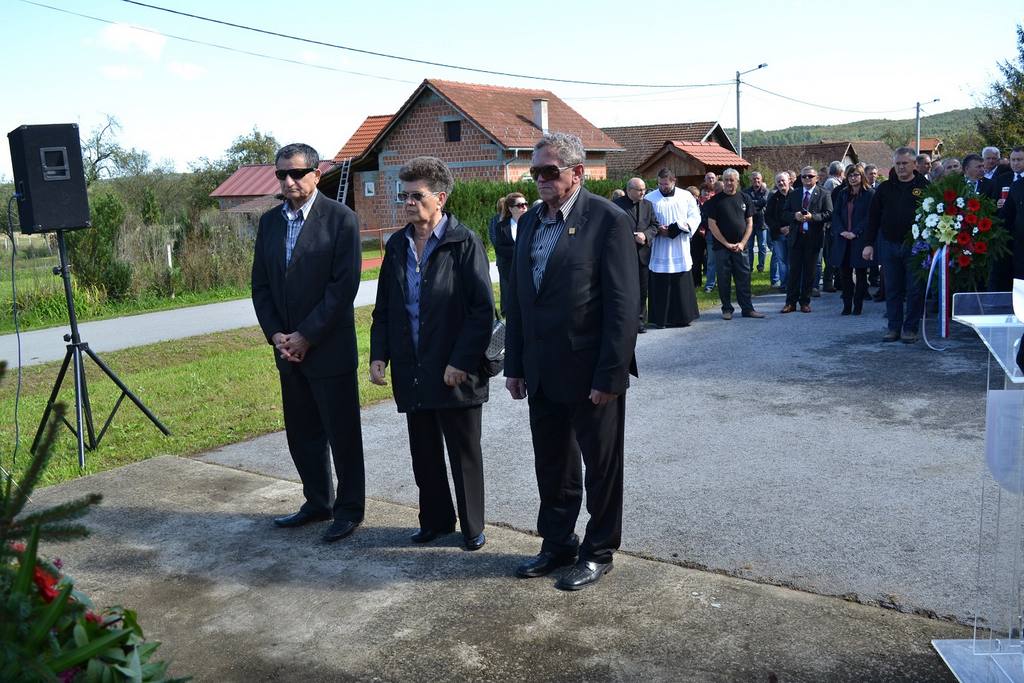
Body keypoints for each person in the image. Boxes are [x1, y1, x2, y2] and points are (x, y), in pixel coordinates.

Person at [504, 132, 639, 591]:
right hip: (542, 369)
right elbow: (519, 299)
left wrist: (611, 375)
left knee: (601, 468)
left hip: (590, 371)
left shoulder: (607, 220)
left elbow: (623, 306)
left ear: (577, 172)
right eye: (535, 172)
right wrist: (515, 364)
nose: (540, 179)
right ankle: (558, 542)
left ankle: (599, 551)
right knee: (553, 463)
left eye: (549, 171)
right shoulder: (530, 221)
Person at [369, 156, 494, 552]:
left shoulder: (464, 242)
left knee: (463, 454)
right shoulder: (397, 246)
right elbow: (385, 307)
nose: (408, 203)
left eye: (416, 196)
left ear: (440, 198)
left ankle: (472, 527)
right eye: (403, 196)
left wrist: (461, 361)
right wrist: (379, 354)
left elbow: (482, 312)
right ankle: (436, 521)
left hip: (455, 369)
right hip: (414, 368)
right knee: (424, 453)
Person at [251, 143, 365, 542]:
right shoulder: (269, 223)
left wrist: (306, 336)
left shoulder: (341, 219)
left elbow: (343, 288)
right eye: (281, 174)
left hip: (328, 350)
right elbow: (261, 286)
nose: (288, 181)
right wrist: (277, 335)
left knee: (342, 435)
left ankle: (348, 510)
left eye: (297, 173)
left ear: (317, 174)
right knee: (302, 435)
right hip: (287, 351)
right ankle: (317, 502)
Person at [863, 147, 930, 343]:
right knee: (892, 289)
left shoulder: (925, 187)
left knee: (914, 289)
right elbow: (873, 217)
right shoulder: (884, 188)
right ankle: (893, 328)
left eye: (905, 163)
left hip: (915, 247)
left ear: (914, 164)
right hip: (889, 244)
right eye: (898, 163)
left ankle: (910, 329)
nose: (901, 167)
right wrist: (868, 244)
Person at [645, 169, 702, 327]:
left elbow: (695, 216)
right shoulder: (650, 198)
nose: (663, 187)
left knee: (680, 282)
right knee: (660, 283)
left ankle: (683, 318)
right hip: (660, 246)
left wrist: (682, 227)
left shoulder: (686, 196)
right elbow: (645, 219)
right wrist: (657, 229)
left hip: (679, 245)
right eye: (660, 184)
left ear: (674, 181)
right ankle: (661, 319)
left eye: (666, 184)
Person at [706, 169, 765, 320]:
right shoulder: (715, 201)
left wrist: (743, 243)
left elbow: (749, 223)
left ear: (737, 182)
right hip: (722, 248)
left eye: (732, 180)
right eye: (726, 180)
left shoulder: (745, 198)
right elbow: (712, 225)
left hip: (741, 247)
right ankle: (727, 309)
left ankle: (748, 309)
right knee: (724, 279)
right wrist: (726, 244)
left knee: (744, 278)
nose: (728, 183)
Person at [780, 166, 833, 314]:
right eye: (804, 176)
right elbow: (784, 213)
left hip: (813, 237)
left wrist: (813, 217)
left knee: (810, 272)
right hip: (796, 237)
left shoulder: (824, 193)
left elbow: (829, 213)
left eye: (810, 176)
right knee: (794, 272)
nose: (807, 179)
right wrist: (794, 216)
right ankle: (790, 303)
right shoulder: (794, 193)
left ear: (817, 178)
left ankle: (805, 302)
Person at [613, 178, 659, 334]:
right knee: (624, 289)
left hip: (642, 254)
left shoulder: (648, 205)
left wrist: (645, 235)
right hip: (624, 254)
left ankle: (640, 320)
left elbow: (654, 225)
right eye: (639, 190)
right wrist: (632, 236)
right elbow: (613, 228)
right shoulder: (617, 205)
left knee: (642, 289)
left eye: (644, 189)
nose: (643, 192)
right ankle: (624, 320)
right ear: (629, 190)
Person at [830, 163, 874, 315]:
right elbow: (835, 214)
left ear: (862, 176)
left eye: (856, 175)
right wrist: (841, 231)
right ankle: (847, 304)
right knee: (845, 274)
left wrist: (855, 232)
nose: (853, 178)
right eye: (850, 175)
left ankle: (858, 305)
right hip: (843, 239)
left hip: (860, 239)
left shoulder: (869, 194)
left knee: (861, 274)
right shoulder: (843, 193)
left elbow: (870, 217)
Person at [494, 192, 528, 318]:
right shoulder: (501, 226)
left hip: (529, 268)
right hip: (509, 269)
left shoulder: (533, 223)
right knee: (512, 304)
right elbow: (499, 248)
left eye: (525, 204)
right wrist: (519, 250)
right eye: (520, 205)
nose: (524, 207)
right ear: (511, 208)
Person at [765, 171, 792, 289]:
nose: (781, 183)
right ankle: (785, 284)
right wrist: (780, 228)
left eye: (783, 180)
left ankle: (794, 284)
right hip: (778, 234)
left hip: (794, 233)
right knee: (782, 260)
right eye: (778, 181)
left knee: (793, 260)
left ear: (789, 181)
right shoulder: (773, 198)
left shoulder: (796, 195)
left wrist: (790, 228)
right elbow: (768, 217)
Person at [743, 172, 769, 272]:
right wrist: (757, 203)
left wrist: (752, 203)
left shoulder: (766, 191)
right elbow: (746, 203)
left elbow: (764, 202)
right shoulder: (746, 191)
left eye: (758, 178)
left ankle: (761, 266)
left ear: (761, 179)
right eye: (754, 179)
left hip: (762, 222)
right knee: (749, 246)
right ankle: (749, 267)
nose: (756, 180)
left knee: (762, 246)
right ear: (751, 180)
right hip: (749, 222)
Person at [686, 185, 706, 287]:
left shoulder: (700, 206)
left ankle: (697, 282)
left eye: (697, 196)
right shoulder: (684, 206)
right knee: (691, 259)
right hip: (689, 236)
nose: (696, 198)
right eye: (693, 196)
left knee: (698, 259)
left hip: (699, 237)